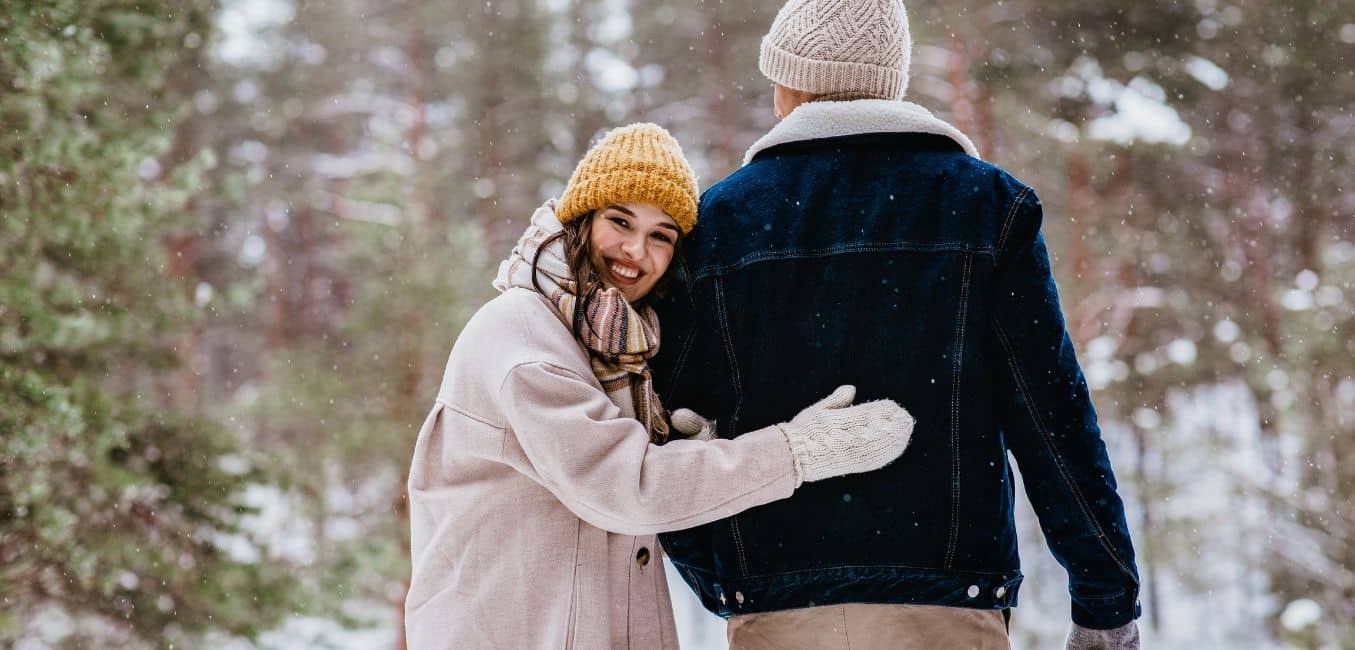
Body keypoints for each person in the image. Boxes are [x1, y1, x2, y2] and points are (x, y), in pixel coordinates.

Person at [651, 1, 1143, 648]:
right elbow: (1050, 417)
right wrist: (1105, 600)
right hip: (945, 601)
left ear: (793, 84)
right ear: (891, 80)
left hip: (779, 605)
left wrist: (725, 574)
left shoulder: (716, 225)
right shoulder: (984, 207)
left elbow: (666, 428)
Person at [403, 122, 916, 649]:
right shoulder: (523, 337)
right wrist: (796, 452)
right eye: (619, 221)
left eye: (660, 236)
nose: (634, 251)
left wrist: (693, 452)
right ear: (581, 219)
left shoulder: (617, 346)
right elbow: (627, 487)